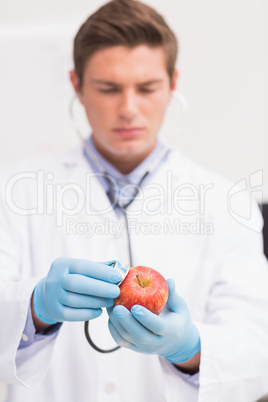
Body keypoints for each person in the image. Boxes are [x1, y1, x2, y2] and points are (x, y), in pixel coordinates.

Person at [0, 0, 268, 401]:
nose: (128, 109)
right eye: (108, 88)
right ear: (76, 85)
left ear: (173, 83)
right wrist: (33, 310)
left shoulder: (226, 202)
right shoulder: (15, 190)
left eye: (147, 88)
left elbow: (257, 350)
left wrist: (190, 349)